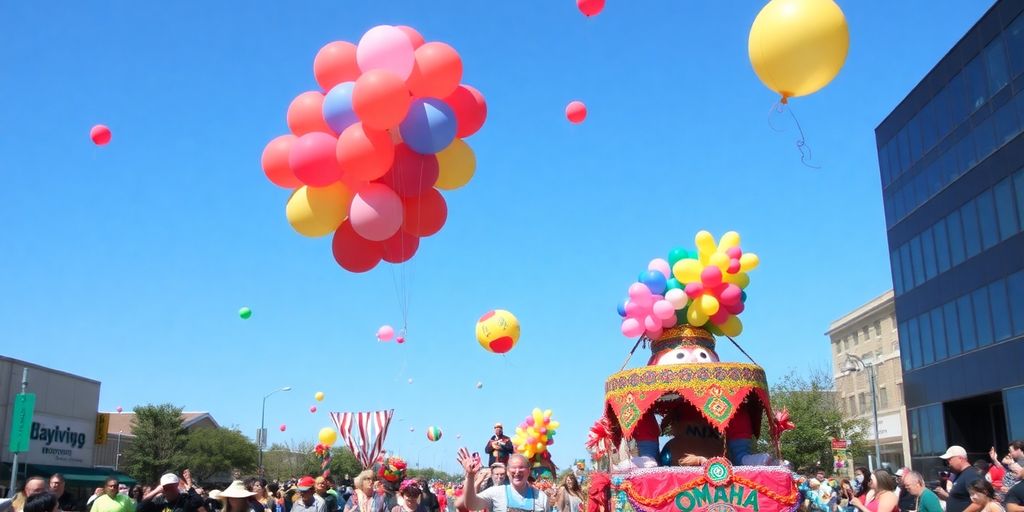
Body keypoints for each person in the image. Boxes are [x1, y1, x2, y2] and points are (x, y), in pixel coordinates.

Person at [456, 450, 551, 512]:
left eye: (521, 468)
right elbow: (471, 504)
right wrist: (470, 476)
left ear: (528, 471)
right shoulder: (496, 492)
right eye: (513, 468)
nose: (517, 472)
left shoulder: (541, 497)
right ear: (508, 472)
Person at [937, 446, 981, 512]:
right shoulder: (960, 475)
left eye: (949, 460)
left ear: (960, 458)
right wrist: (947, 498)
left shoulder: (971, 474)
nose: (948, 464)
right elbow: (961, 499)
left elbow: (980, 501)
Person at [137, 473, 206, 512]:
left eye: (173, 486)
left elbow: (199, 504)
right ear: (162, 488)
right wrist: (155, 491)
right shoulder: (158, 502)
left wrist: (188, 487)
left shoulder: (185, 500)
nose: (170, 490)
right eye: (167, 487)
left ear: (177, 486)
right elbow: (140, 508)